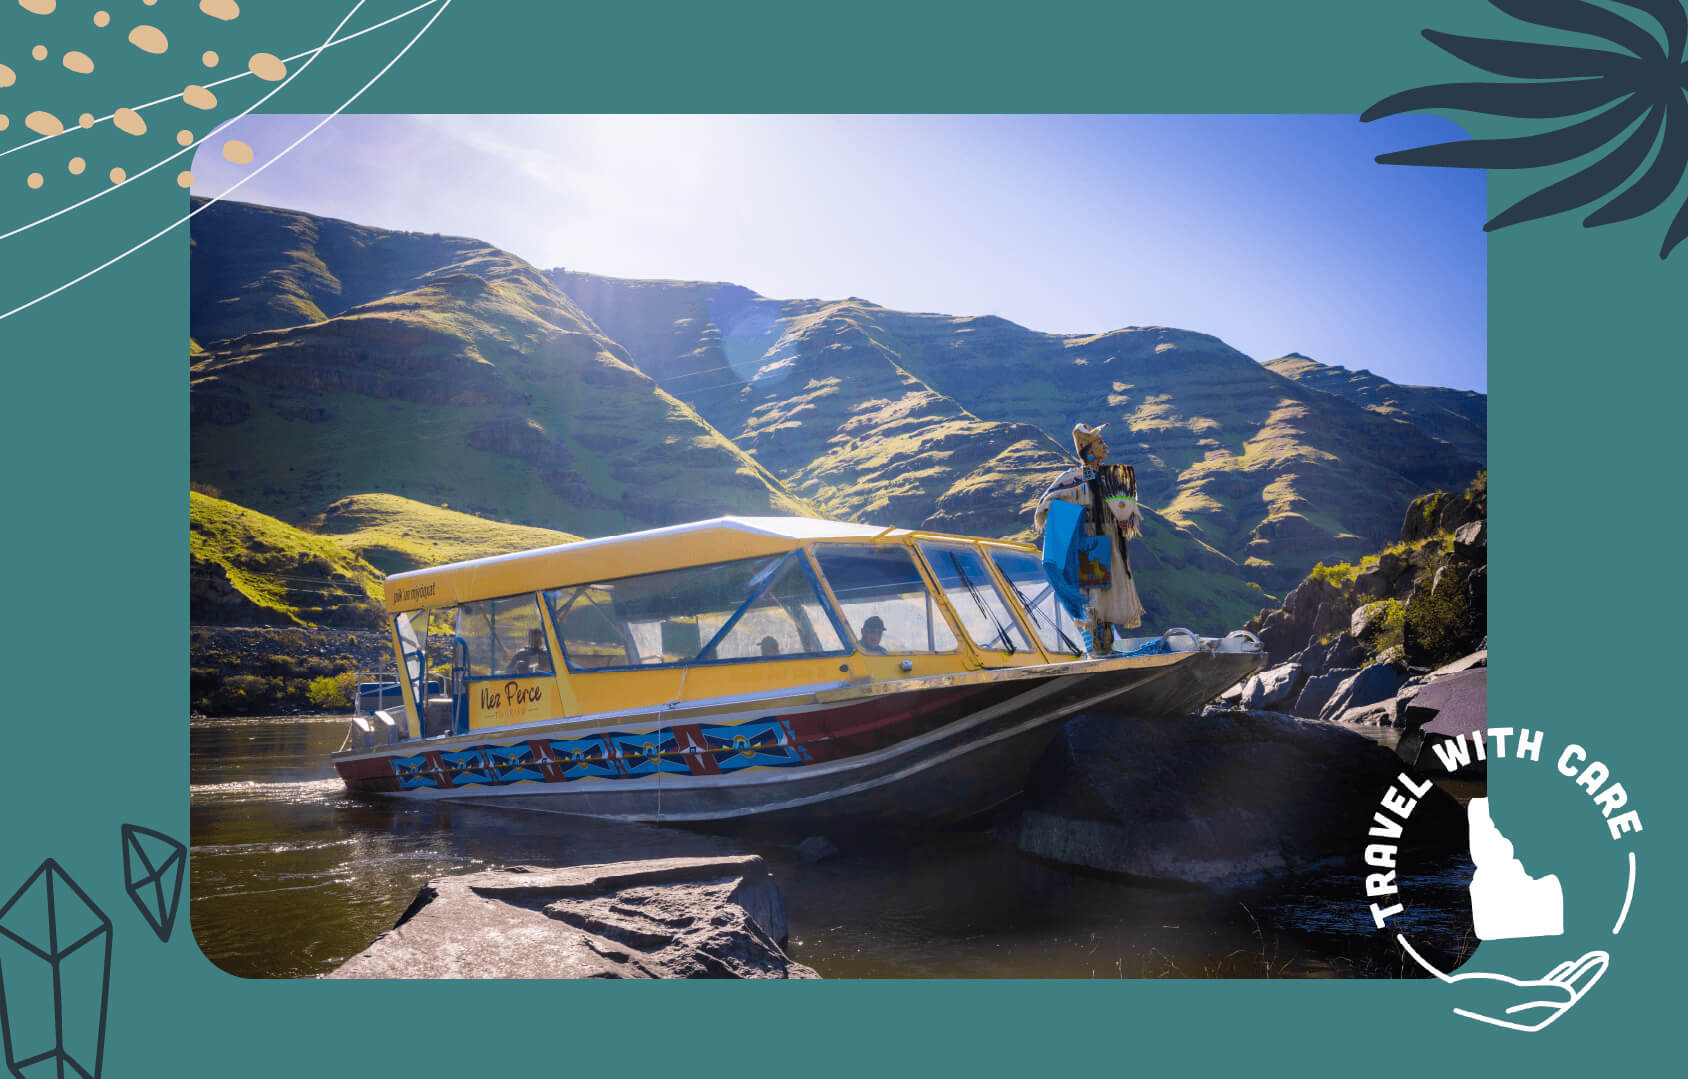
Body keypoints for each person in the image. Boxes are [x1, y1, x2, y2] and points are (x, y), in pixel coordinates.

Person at [1033, 421, 1144, 657]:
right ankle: (1096, 650)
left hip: (1105, 545)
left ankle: (1105, 649)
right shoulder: (1072, 480)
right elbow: (1054, 507)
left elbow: (1126, 517)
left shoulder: (1110, 477)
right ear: (1088, 449)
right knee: (1091, 600)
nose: (1105, 446)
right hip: (1086, 545)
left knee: (1103, 597)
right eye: (1100, 442)